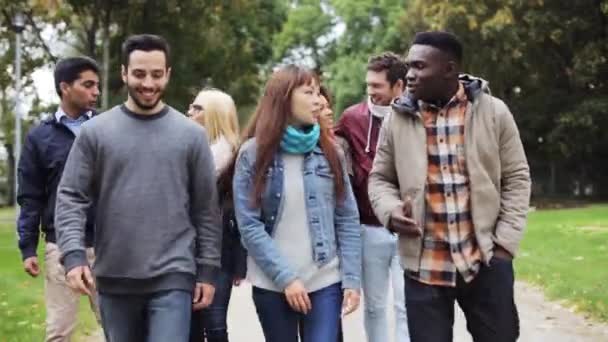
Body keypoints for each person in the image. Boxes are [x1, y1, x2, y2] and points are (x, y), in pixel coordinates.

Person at [55, 34, 222, 342]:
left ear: (168, 74)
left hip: (174, 275)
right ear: (123, 73)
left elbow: (206, 209)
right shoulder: (95, 133)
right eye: (139, 74)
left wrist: (208, 269)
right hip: (114, 277)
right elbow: (70, 196)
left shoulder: (191, 136)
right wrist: (74, 255)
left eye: (157, 75)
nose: (148, 83)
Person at [368, 31, 531, 342]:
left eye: (419, 67)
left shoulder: (494, 112)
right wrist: (390, 211)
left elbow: (517, 178)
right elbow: (380, 179)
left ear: (449, 69)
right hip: (424, 267)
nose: (410, 75)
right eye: (408, 66)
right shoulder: (396, 119)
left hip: (484, 261)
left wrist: (504, 246)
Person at [232, 65, 362, 342]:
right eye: (309, 92)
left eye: (318, 93)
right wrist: (286, 278)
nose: (319, 100)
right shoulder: (252, 154)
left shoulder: (331, 152)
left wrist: (352, 279)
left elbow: (347, 217)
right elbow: (249, 225)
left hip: (324, 279)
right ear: (285, 98)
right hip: (272, 283)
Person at [16, 56, 101, 342]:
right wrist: (28, 247)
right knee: (59, 333)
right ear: (65, 87)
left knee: (121, 328)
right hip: (60, 246)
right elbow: (30, 196)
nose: (96, 92)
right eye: (88, 85)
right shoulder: (39, 138)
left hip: (107, 245)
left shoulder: (107, 129)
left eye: (97, 86)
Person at [334, 52, 409, 342]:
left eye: (378, 86)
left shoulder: (414, 116)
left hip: (407, 229)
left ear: (398, 86)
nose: (371, 92)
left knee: (405, 306)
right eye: (369, 85)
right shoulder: (352, 118)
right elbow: (325, 139)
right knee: (376, 307)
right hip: (368, 229)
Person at [187, 89, 246, 342]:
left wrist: (239, 262)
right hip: (187, 249)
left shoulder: (231, 157)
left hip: (219, 250)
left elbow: (242, 212)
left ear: (214, 114)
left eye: (197, 108)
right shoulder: (190, 149)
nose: (189, 112)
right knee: (191, 323)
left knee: (213, 321)